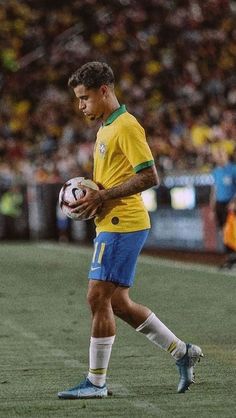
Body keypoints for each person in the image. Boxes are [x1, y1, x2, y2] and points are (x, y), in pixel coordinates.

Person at [58, 62, 203, 400]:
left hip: (124, 223)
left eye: (84, 98)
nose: (81, 106)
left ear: (104, 91)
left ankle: (96, 382)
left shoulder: (125, 126)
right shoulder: (105, 127)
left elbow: (150, 176)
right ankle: (182, 352)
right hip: (111, 223)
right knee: (119, 303)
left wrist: (103, 195)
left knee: (97, 297)